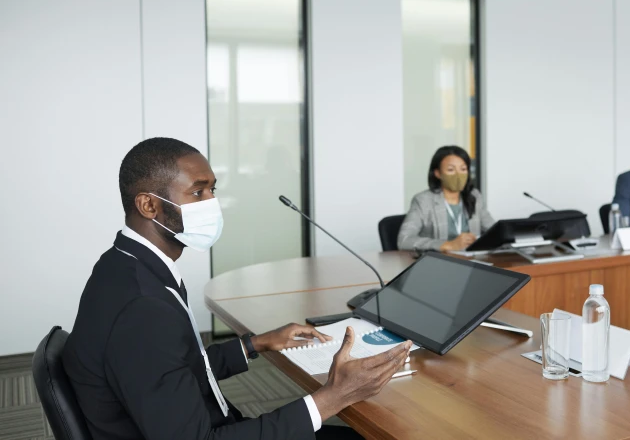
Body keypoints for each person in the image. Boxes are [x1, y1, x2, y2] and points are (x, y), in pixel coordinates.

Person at [62, 137, 411, 440]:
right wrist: (332, 398)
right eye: (198, 191)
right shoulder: (143, 307)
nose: (212, 202)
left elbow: (169, 369)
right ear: (149, 205)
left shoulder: (124, 265)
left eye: (213, 189)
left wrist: (254, 344)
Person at [398, 145, 495, 252]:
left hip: (472, 261)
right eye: (450, 170)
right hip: (439, 263)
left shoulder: (474, 196)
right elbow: (404, 240)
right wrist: (446, 245)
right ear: (438, 173)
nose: (458, 175)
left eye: (463, 169)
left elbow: (494, 231)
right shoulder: (423, 200)